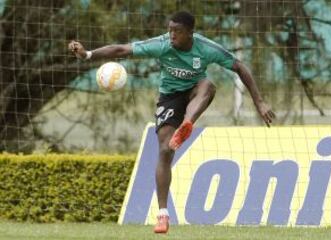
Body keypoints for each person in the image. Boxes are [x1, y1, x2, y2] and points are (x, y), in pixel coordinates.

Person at [69, 11, 275, 234]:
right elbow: (122, 49)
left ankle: (187, 124)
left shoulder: (206, 48)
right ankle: (163, 215)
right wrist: (88, 54)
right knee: (165, 151)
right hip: (170, 98)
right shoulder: (162, 45)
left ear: (190, 33)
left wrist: (260, 102)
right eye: (170, 30)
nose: (172, 35)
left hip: (195, 93)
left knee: (208, 86)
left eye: (177, 31)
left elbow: (239, 66)